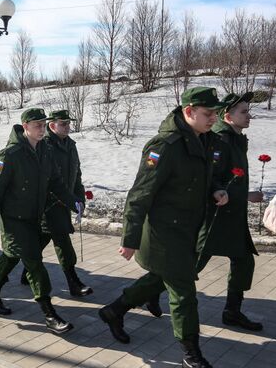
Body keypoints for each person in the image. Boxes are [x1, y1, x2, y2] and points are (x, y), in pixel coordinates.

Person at [98, 87, 229, 368]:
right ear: (189, 111)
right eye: (208, 114)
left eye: (216, 114)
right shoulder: (165, 146)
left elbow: (202, 179)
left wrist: (216, 190)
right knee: (183, 292)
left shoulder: (203, 140)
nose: (213, 119)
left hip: (188, 230)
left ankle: (114, 310)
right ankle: (191, 353)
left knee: (160, 279)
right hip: (164, 232)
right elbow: (140, 194)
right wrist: (130, 238)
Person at [147, 92, 264, 332]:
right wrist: (245, 195)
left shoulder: (235, 138)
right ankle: (132, 299)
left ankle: (232, 311)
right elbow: (213, 181)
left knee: (243, 261)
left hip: (233, 217)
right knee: (188, 268)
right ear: (228, 116)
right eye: (243, 111)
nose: (248, 115)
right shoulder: (220, 140)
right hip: (216, 218)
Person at [0, 108, 82, 335]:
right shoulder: (10, 154)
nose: (41, 129)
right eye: (37, 125)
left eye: (43, 124)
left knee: (10, 256)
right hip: (13, 220)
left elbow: (56, 182)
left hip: (33, 218)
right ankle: (49, 314)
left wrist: (73, 202)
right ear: (25, 127)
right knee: (35, 263)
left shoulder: (45, 150)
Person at [20, 110, 92, 297]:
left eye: (68, 123)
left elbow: (76, 175)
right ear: (52, 126)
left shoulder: (70, 145)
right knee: (63, 242)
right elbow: (46, 180)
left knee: (41, 240)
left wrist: (78, 199)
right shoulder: (45, 146)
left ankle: (26, 272)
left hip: (65, 201)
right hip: (49, 205)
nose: (67, 127)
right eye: (63, 124)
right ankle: (73, 283)